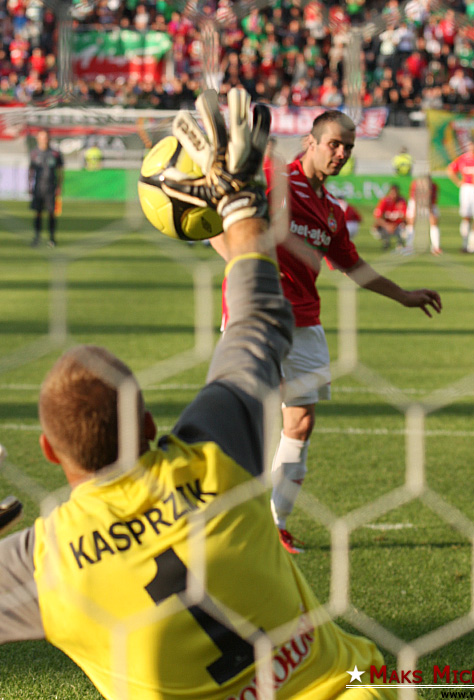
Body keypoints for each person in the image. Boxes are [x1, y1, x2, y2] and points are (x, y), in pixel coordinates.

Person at [0, 88, 398, 700]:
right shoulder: (214, 455)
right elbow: (260, 319)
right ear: (151, 424)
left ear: (50, 453)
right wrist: (238, 206)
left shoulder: (46, 562)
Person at [214, 112, 442, 554]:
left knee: (300, 422)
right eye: (334, 144)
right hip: (255, 312)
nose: (341, 153)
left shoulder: (332, 211)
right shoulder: (273, 178)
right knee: (245, 419)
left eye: (348, 147)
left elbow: (353, 265)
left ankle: (275, 526)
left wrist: (404, 296)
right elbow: (218, 220)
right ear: (310, 142)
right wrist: (240, 264)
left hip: (305, 322)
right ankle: (220, 518)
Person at [447, 140, 474, 252]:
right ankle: (465, 243)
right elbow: (450, 170)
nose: (472, 148)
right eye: (470, 146)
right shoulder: (463, 158)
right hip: (467, 188)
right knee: (466, 216)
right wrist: (458, 182)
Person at [28, 129, 64, 248]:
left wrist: (59, 186)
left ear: (49, 138)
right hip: (38, 187)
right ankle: (36, 238)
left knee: (51, 213)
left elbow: (60, 171)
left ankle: (52, 239)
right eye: (42, 137)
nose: (44, 139)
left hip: (51, 187)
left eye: (46, 137)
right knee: (37, 213)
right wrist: (29, 185)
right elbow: (31, 170)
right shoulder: (34, 153)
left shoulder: (55, 153)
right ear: (38, 138)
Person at [405, 175, 442, 255]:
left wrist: (430, 212)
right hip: (415, 203)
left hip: (429, 204)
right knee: (411, 222)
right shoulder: (415, 185)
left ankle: (436, 247)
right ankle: (409, 246)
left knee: (434, 222)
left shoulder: (434, 186)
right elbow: (415, 199)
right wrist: (415, 212)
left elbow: (432, 201)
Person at [372, 183, 408, 251]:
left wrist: (395, 224)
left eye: (395, 193)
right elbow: (377, 216)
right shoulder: (384, 200)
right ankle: (386, 241)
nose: (394, 195)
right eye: (392, 193)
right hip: (387, 226)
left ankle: (400, 242)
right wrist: (387, 225)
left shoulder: (402, 201)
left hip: (398, 226)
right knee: (375, 227)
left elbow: (406, 216)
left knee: (407, 227)